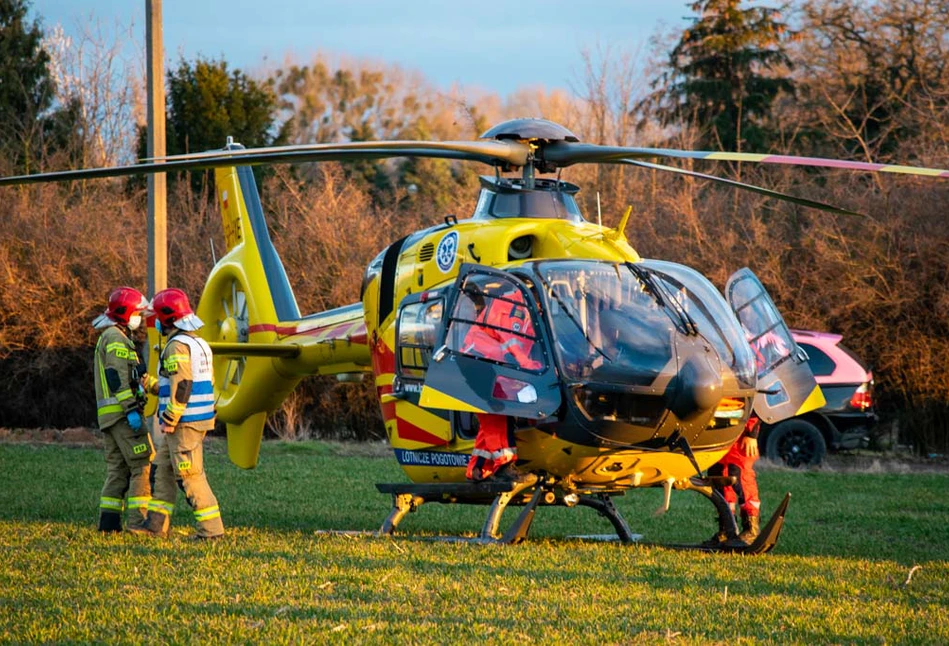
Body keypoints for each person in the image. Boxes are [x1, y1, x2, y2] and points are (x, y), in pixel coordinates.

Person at [130, 288, 224, 540]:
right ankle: (155, 527)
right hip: (194, 418)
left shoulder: (176, 347)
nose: (156, 322)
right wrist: (150, 384)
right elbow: (186, 383)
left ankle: (211, 532)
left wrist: (170, 419)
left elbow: (183, 385)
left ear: (167, 319)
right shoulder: (199, 343)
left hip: (184, 423)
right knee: (162, 470)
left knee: (190, 477)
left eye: (157, 318)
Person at [461, 284, 540, 484]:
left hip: (488, 363)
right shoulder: (512, 307)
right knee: (498, 412)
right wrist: (532, 368)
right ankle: (505, 467)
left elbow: (524, 347)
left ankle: (478, 468)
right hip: (479, 362)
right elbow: (512, 345)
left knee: (491, 416)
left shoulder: (526, 311)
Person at [92, 286, 155, 532]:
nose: (140, 317)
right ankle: (139, 523)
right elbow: (116, 376)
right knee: (142, 465)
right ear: (126, 313)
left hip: (109, 417)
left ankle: (109, 525)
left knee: (117, 470)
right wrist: (130, 409)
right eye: (138, 313)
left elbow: (131, 374)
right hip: (122, 415)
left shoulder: (111, 336)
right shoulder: (116, 339)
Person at [706, 413, 762, 546]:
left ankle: (751, 529)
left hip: (740, 434)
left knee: (741, 477)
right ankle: (727, 530)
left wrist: (751, 433)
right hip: (719, 433)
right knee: (719, 477)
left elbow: (757, 404)